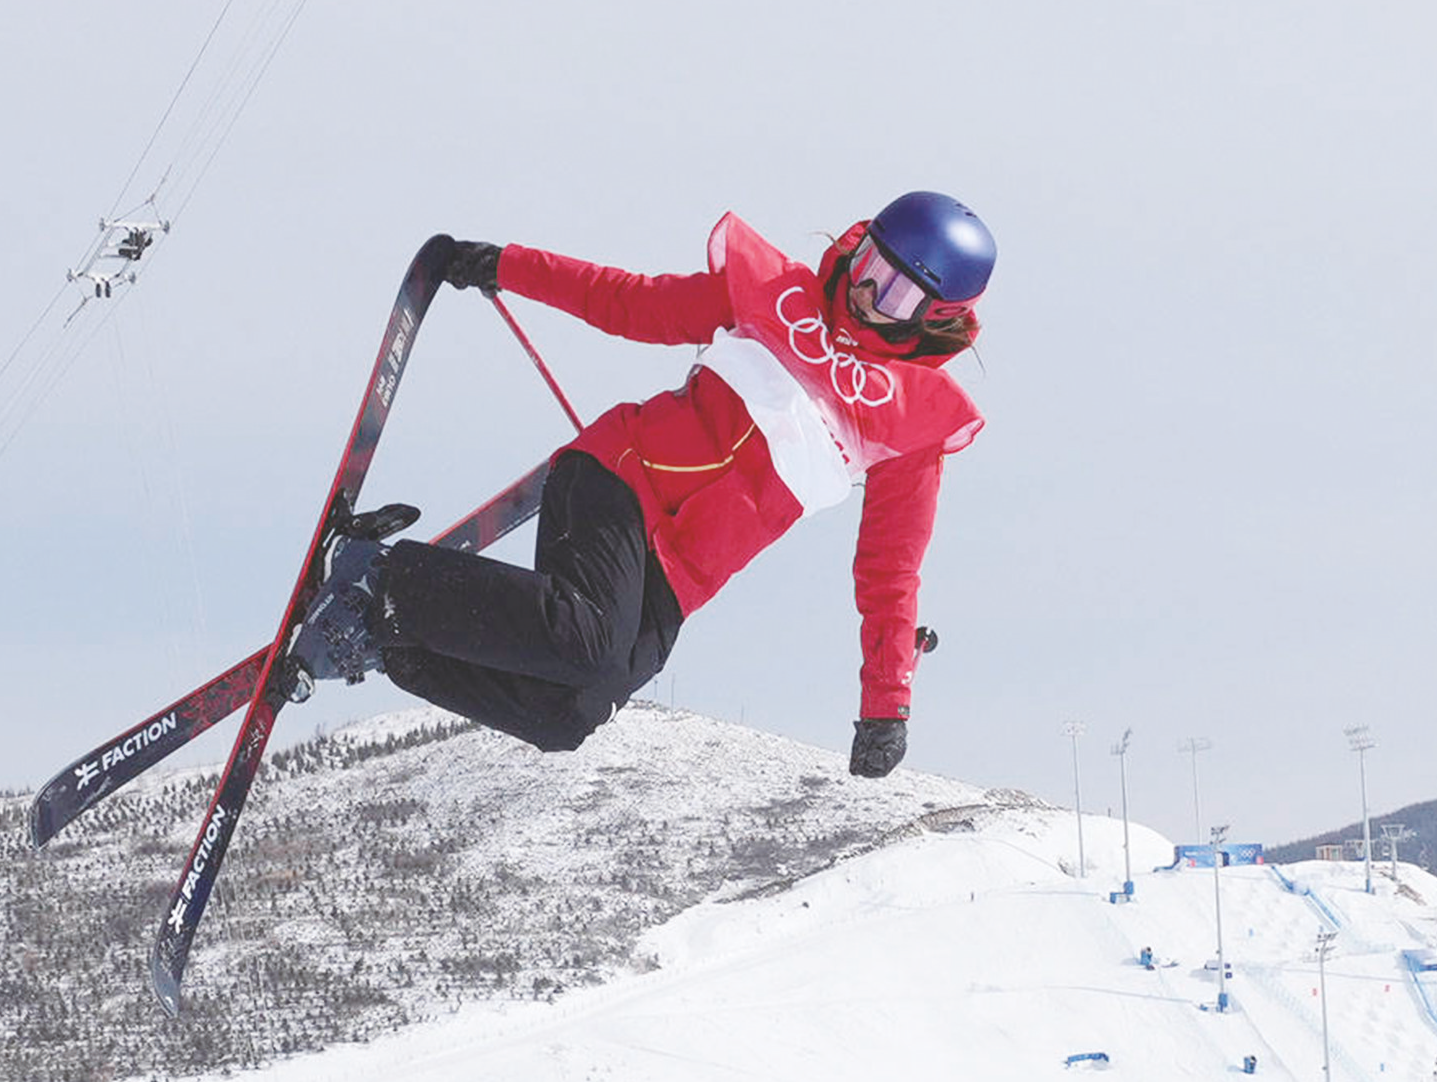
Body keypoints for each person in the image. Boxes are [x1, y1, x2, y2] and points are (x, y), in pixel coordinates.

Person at [298, 191, 996, 779]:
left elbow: (890, 571)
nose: (867, 291)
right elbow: (630, 302)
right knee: (586, 640)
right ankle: (381, 577)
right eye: (870, 263)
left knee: (566, 713)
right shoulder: (775, 295)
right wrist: (507, 266)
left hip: (683, 570)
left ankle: (383, 636)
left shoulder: (912, 422)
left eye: (898, 291)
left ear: (938, 316)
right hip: (621, 477)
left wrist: (886, 703)